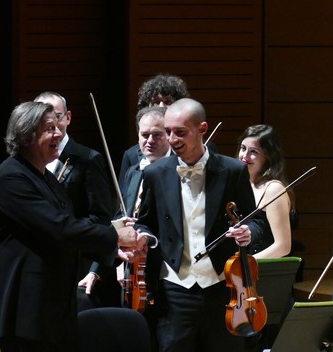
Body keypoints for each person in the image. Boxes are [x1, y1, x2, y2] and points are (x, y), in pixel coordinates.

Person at [0, 101, 142, 351]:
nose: (59, 133)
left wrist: (113, 248)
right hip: (26, 310)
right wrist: (114, 236)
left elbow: (68, 232)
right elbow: (60, 228)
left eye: (58, 126)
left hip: (53, 306)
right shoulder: (11, 179)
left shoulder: (44, 177)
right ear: (26, 136)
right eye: (49, 129)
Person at [134, 98, 263, 352]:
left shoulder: (233, 170)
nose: (172, 139)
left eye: (180, 132)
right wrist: (145, 238)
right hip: (174, 291)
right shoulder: (155, 173)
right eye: (168, 131)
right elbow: (145, 224)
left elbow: (258, 221)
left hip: (221, 290)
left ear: (202, 129)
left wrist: (249, 232)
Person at [79, 105, 170, 307]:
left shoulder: (180, 173)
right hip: (132, 273)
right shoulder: (133, 172)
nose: (150, 141)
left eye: (157, 135)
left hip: (165, 274)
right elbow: (119, 218)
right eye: (145, 134)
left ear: (169, 135)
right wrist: (97, 270)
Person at [33, 91, 117, 304]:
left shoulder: (88, 159)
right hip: (40, 264)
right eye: (44, 119)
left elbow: (101, 218)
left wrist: (65, 233)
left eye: (57, 117)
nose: (52, 124)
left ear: (68, 117)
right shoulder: (29, 162)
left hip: (77, 265)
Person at [119, 74, 190, 180]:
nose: (161, 106)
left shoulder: (194, 147)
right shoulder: (131, 155)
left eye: (168, 102)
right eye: (155, 102)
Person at [237, 124, 293, 259]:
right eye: (243, 148)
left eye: (253, 152)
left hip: (261, 272)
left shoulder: (273, 190)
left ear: (268, 157)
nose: (245, 156)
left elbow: (283, 246)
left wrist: (244, 265)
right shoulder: (238, 185)